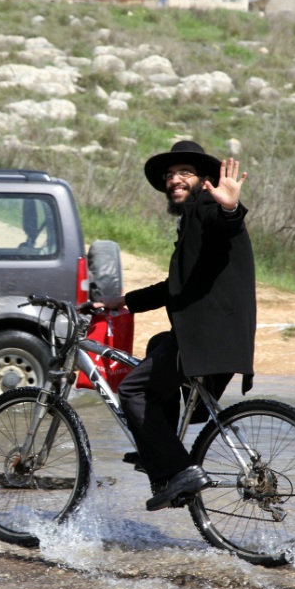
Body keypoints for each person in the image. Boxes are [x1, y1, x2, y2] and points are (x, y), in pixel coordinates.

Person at [97, 140, 256, 512]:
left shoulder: (206, 209)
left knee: (134, 389)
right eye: (170, 175)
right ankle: (160, 451)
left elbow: (226, 223)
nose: (174, 180)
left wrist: (230, 206)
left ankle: (178, 467)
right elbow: (176, 286)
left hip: (209, 337)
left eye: (184, 172)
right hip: (218, 336)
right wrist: (124, 303)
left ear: (204, 181)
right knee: (157, 345)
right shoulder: (191, 221)